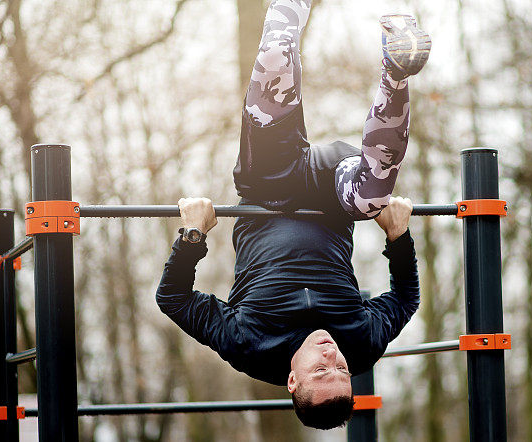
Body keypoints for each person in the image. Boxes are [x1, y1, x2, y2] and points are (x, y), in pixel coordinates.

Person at [156, 0, 431, 430]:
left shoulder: (246, 346)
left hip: (267, 184)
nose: (332, 358)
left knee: (273, 69)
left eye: (321, 371)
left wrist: (193, 236)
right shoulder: (361, 345)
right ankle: (396, 68)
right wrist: (399, 240)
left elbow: (172, 299)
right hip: (331, 192)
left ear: (290, 380)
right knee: (372, 200)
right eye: (342, 371)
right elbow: (405, 299)